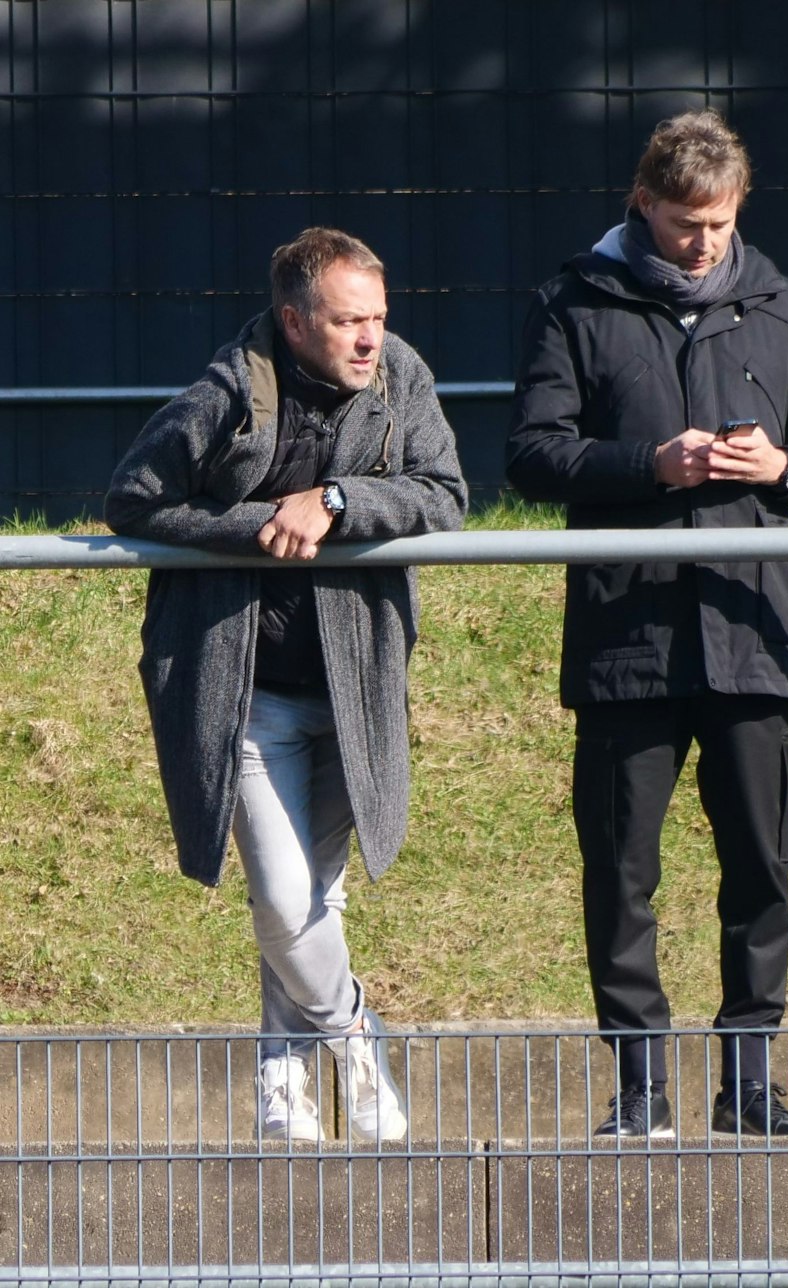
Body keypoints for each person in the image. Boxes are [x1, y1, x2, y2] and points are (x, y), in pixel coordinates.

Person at [506, 109, 788, 1139]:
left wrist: (781, 468)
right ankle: (639, 1091)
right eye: (678, 224)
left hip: (752, 631)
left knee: (760, 870)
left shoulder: (780, 304)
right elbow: (530, 452)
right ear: (640, 203)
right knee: (620, 876)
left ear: (739, 207)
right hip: (628, 638)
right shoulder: (575, 302)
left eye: (716, 224)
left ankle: (750, 1085)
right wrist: (648, 465)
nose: (699, 244)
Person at [106, 227, 469, 1144]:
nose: (368, 339)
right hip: (248, 694)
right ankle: (353, 1039)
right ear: (294, 320)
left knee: (314, 899)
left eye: (378, 318)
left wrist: (338, 503)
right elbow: (135, 499)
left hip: (357, 688)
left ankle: (281, 1085)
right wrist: (261, 525)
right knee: (281, 894)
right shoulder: (230, 390)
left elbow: (445, 493)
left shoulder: (403, 381)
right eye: (348, 321)